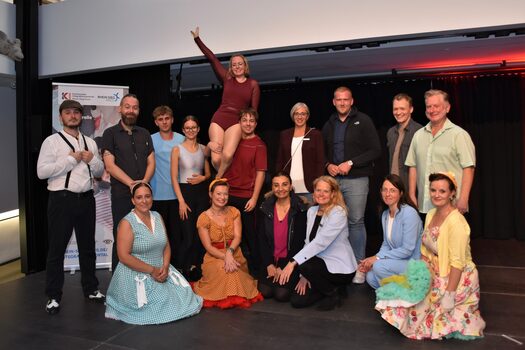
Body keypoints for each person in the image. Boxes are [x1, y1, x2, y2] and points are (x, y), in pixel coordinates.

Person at [375, 172, 485, 340]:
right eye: (433, 190)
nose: (436, 195)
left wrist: (449, 294)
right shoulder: (432, 214)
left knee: (427, 315)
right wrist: (420, 275)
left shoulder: (457, 222)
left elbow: (457, 263)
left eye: (442, 191)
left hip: (454, 276)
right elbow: (425, 248)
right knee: (402, 297)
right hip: (433, 270)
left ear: (452, 193)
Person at [37, 99, 106, 314]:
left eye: (76, 112)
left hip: (86, 199)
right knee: (57, 250)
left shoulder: (90, 141)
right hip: (61, 200)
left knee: (87, 248)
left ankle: (91, 289)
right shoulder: (52, 141)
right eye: (68, 112)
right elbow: (41, 172)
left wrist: (92, 160)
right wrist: (70, 160)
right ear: (61, 117)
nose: (73, 116)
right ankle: (53, 296)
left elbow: (99, 171)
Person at [105, 182, 202, 324]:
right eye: (139, 197)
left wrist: (166, 266)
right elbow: (124, 257)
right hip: (137, 271)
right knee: (159, 302)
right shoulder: (127, 223)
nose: (144, 201)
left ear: (152, 198)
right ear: (133, 200)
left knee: (185, 294)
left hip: (161, 267)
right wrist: (152, 270)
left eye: (147, 196)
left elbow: (166, 245)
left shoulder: (157, 216)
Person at [322, 86, 381, 283]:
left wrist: (351, 163)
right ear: (333, 101)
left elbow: (375, 150)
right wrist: (327, 165)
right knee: (336, 223)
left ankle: (359, 266)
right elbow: (321, 152)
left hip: (357, 180)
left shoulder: (363, 121)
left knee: (356, 221)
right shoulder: (329, 125)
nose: (342, 103)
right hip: (334, 182)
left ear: (352, 101)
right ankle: (340, 264)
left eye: (345, 99)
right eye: (338, 99)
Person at [279, 176, 358, 311]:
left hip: (339, 268)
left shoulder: (338, 212)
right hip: (317, 266)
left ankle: (333, 293)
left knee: (304, 265)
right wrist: (304, 275)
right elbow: (308, 242)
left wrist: (293, 262)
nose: (321, 194)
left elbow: (320, 243)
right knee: (297, 301)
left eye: (326, 191)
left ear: (333, 193)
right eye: (318, 190)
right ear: (313, 192)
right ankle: (329, 288)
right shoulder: (312, 211)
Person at [190, 26, 260, 178]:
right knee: (216, 157)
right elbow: (212, 58)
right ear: (231, 67)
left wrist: (250, 129)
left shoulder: (253, 84)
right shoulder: (227, 78)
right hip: (219, 119)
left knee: (227, 155)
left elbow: (253, 110)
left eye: (240, 64)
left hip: (236, 121)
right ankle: (223, 178)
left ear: (245, 66)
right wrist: (197, 39)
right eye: (234, 64)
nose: (237, 66)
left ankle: (218, 179)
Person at [102, 94, 155, 271]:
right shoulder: (110, 134)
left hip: (144, 196)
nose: (131, 110)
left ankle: (144, 278)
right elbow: (109, 165)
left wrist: (143, 185)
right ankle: (119, 287)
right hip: (122, 196)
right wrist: (132, 184)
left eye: (134, 107)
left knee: (145, 238)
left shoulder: (145, 133)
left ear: (138, 110)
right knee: (122, 239)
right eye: (127, 106)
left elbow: (151, 162)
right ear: (120, 109)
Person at [192, 179, 263, 309]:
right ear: (211, 194)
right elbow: (208, 247)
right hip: (214, 256)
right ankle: (222, 295)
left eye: (225, 194)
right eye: (219, 194)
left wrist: (229, 253)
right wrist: (225, 257)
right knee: (225, 269)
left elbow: (238, 236)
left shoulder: (234, 212)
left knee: (233, 269)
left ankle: (236, 293)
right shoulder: (203, 218)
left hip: (234, 251)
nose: (222, 197)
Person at [406, 89, 475, 215]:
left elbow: (468, 168)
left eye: (436, 106)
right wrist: (411, 195)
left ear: (447, 108)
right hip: (424, 205)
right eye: (429, 106)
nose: (432, 110)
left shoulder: (459, 135)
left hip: (452, 206)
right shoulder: (418, 136)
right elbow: (412, 166)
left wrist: (464, 198)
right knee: (427, 235)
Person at [358, 174, 422, 289]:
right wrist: (373, 258)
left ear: (401, 193)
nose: (387, 194)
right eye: (385, 190)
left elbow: (407, 250)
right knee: (370, 277)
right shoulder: (385, 214)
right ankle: (400, 291)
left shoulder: (409, 213)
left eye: (392, 190)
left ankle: (406, 290)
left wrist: (377, 258)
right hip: (396, 261)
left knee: (378, 267)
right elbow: (386, 244)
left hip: (412, 262)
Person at [224, 108, 267, 275]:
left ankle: (257, 271)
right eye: (244, 120)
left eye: (251, 120)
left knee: (250, 235)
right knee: (230, 236)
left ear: (255, 124)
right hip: (228, 196)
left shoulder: (259, 144)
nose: (248, 124)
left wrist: (255, 198)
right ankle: (234, 270)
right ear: (239, 123)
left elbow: (260, 173)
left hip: (247, 198)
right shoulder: (233, 141)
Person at [170, 115, 211, 280]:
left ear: (198, 129)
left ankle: (197, 266)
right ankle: (182, 268)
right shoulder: (177, 149)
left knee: (200, 232)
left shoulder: (203, 149)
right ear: (183, 130)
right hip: (185, 194)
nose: (191, 130)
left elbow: (208, 173)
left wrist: (203, 178)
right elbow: (173, 177)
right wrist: (180, 201)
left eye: (194, 127)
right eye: (187, 128)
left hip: (201, 194)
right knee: (187, 235)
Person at [257, 171, 308, 302]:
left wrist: (285, 266)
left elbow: (299, 241)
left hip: (291, 260)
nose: (280, 189)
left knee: (281, 294)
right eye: (276, 185)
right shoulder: (265, 207)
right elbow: (261, 239)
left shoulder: (299, 208)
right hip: (271, 259)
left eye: (284, 184)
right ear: (272, 188)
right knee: (265, 291)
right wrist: (269, 264)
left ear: (291, 186)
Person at [149, 105, 184, 266]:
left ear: (172, 120)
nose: (164, 122)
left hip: (178, 195)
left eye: (167, 118)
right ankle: (159, 268)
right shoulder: (150, 139)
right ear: (156, 122)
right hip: (156, 195)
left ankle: (177, 270)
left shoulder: (181, 139)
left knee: (177, 236)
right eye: (160, 119)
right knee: (160, 237)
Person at [276, 102, 325, 202]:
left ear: (307, 116)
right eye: (297, 114)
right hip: (287, 188)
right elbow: (280, 161)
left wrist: (318, 186)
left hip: (310, 188)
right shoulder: (284, 134)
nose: (300, 117)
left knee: (310, 217)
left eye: (303, 114)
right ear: (293, 115)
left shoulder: (315, 134)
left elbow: (320, 162)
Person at [386, 94, 423, 187]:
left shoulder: (419, 131)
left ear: (411, 109)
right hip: (394, 187)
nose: (398, 112)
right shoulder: (390, 132)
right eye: (395, 109)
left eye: (402, 109)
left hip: (411, 187)